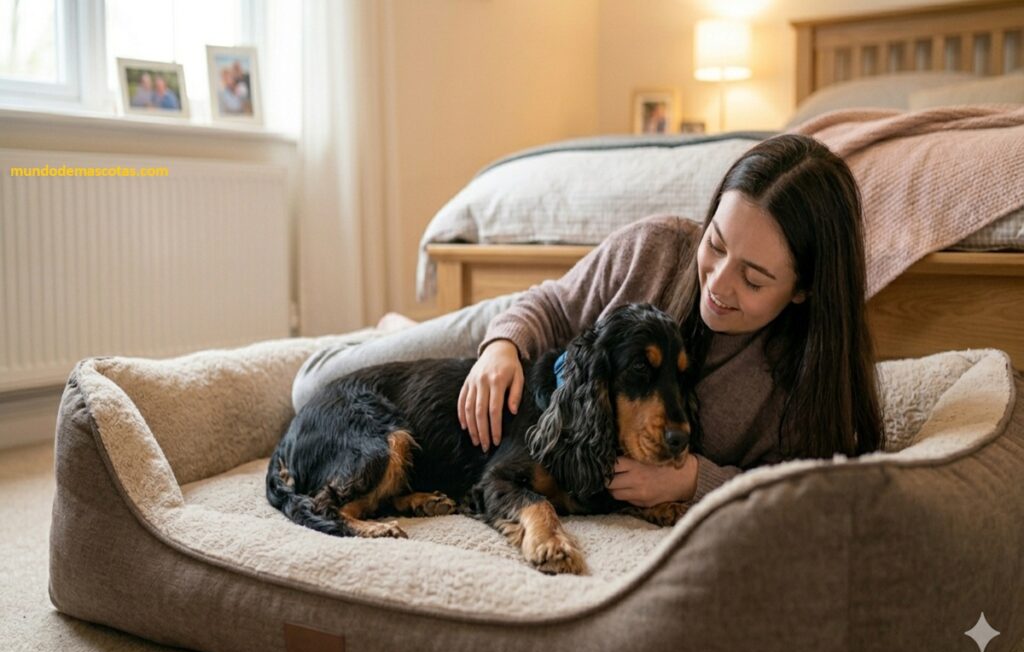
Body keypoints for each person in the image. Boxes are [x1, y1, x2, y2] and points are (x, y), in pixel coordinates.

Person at [291, 133, 884, 511]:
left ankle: (400, 331)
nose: (719, 285)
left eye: (754, 279)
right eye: (717, 244)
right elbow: (550, 306)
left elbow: (810, 494)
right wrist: (500, 345)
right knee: (311, 386)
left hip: (548, 381)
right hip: (516, 345)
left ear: (805, 287)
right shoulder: (656, 248)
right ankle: (393, 333)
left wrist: (694, 481)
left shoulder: (805, 381)